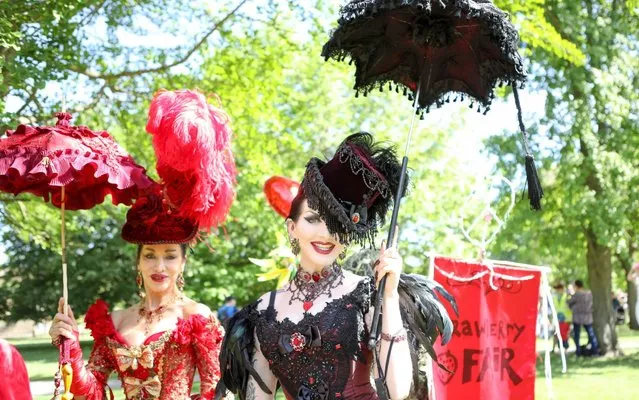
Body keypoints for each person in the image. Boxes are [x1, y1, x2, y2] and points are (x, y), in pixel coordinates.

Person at [216, 133, 456, 400]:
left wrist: (387, 297)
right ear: (292, 228)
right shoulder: (263, 312)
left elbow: (397, 390)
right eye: (313, 219)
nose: (326, 234)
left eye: (337, 225)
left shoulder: (366, 295)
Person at [48, 89, 236, 399]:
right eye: (150, 255)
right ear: (138, 261)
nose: (159, 265)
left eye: (169, 256)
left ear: (183, 262)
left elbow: (216, 390)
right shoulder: (117, 320)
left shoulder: (195, 316)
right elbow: (91, 391)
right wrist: (69, 348)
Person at [567, 279, 600, 356]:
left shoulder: (577, 294)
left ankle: (578, 352)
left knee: (577, 335)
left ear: (576, 286)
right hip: (587, 317)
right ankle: (595, 351)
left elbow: (569, 302)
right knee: (591, 334)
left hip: (577, 317)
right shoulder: (589, 293)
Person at [553, 283, 572, 350]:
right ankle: (559, 346)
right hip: (558, 318)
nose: (558, 290)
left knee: (564, 333)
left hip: (566, 318)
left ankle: (565, 346)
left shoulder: (567, 296)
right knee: (558, 332)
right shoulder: (554, 297)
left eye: (559, 289)